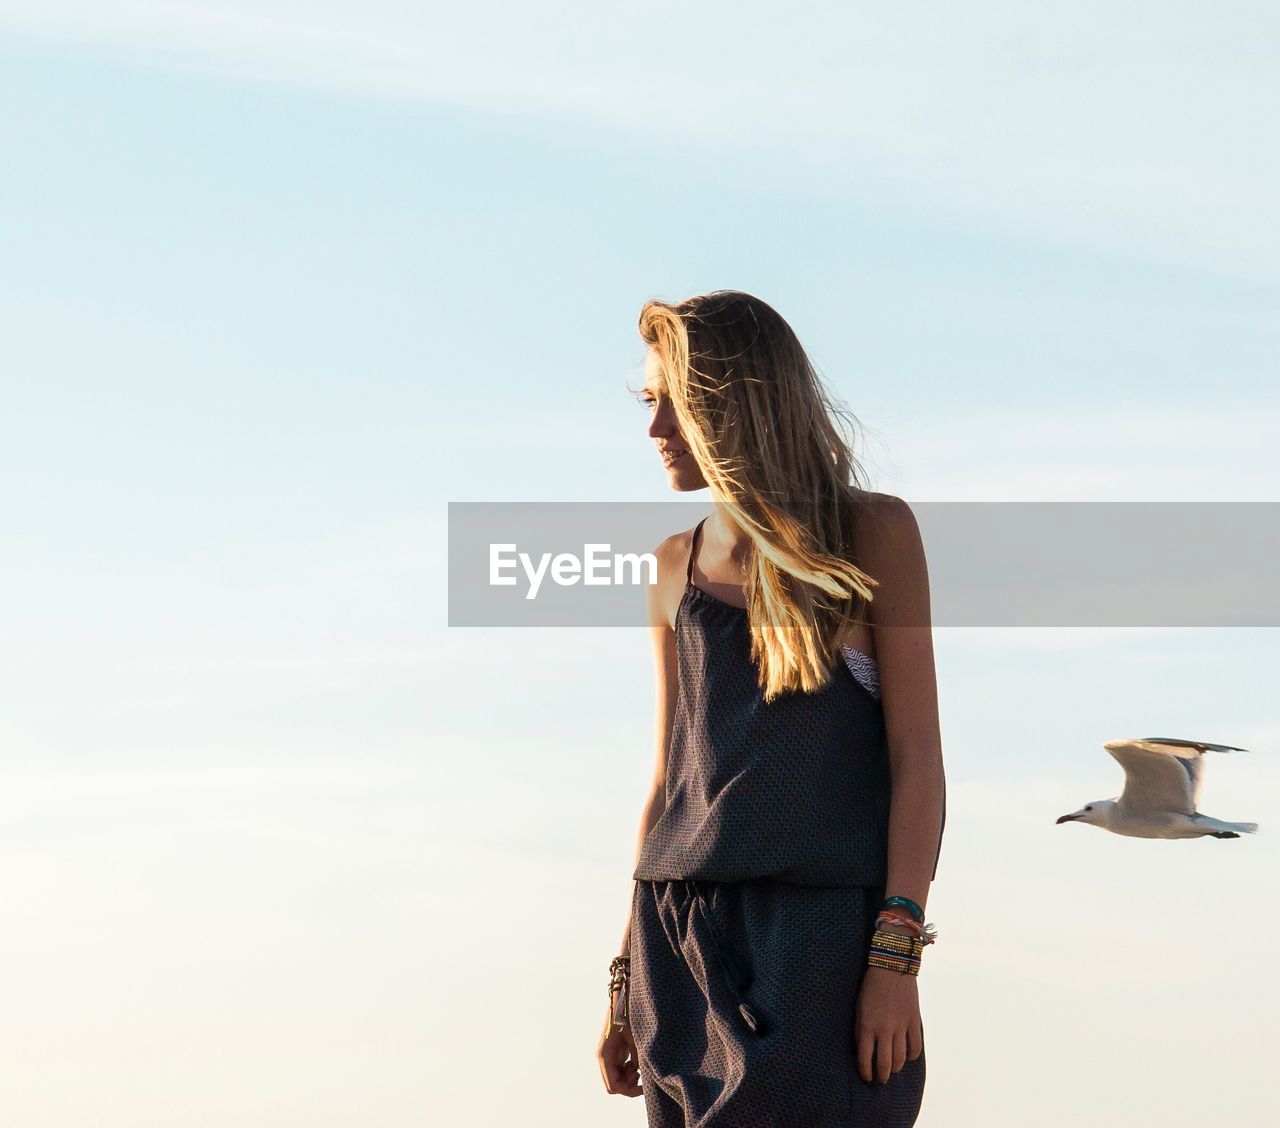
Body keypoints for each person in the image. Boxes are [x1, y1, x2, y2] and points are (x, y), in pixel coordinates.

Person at [595, 290, 946, 1126]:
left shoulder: (872, 535)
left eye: (671, 406)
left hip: (820, 937)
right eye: (649, 405)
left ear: (731, 405)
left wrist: (896, 955)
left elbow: (917, 763)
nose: (654, 433)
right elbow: (669, 784)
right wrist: (623, 979)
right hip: (676, 942)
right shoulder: (672, 568)